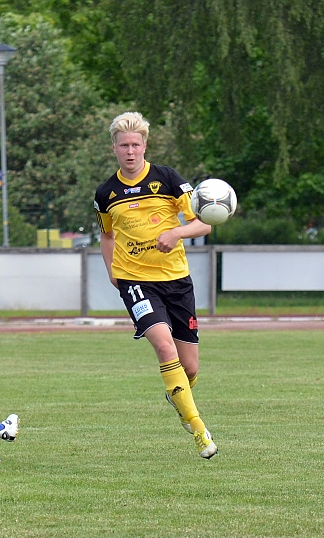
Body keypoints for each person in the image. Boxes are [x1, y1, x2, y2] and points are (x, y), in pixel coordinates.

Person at [93, 111, 218, 459]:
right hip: (136, 282)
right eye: (123, 145)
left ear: (145, 146)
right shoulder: (106, 193)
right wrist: (111, 270)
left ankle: (176, 396)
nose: (130, 151)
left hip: (177, 281)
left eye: (136, 144)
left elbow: (203, 224)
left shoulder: (168, 179)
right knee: (165, 349)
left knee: (189, 366)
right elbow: (107, 235)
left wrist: (176, 231)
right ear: (114, 148)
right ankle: (199, 431)